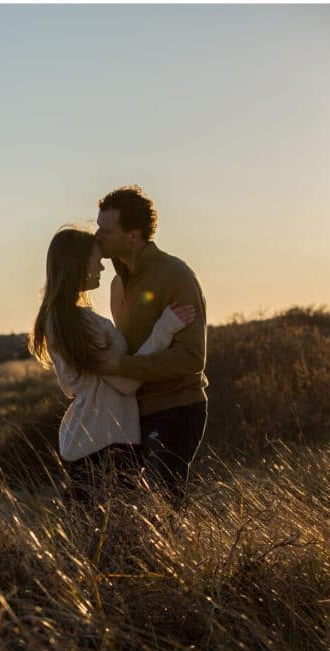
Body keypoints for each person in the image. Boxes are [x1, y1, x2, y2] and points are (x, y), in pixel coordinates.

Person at [28, 227, 196, 503]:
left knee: (98, 536)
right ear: (78, 265)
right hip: (106, 441)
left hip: (88, 438)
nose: (102, 267)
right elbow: (125, 381)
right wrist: (164, 329)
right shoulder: (81, 325)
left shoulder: (59, 320)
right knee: (118, 535)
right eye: (96, 260)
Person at [93, 185, 208, 510]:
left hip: (176, 409)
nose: (97, 236)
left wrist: (122, 367)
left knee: (161, 512)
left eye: (106, 229)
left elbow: (191, 359)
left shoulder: (176, 275)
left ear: (133, 236)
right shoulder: (117, 283)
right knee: (127, 514)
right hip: (132, 415)